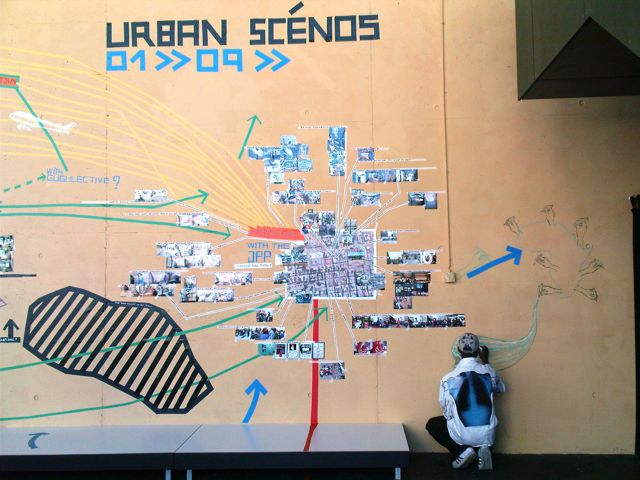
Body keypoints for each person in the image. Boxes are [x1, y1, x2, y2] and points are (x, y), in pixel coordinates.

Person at [426, 332, 506, 470]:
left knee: (433, 424)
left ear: (458, 350)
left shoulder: (448, 378)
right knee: (482, 430)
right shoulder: (489, 373)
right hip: (487, 434)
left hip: (462, 435)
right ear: (478, 351)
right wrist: (486, 361)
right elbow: (501, 389)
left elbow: (446, 410)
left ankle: (461, 451)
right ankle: (484, 449)